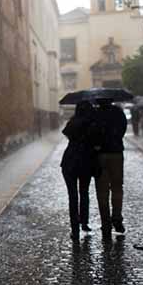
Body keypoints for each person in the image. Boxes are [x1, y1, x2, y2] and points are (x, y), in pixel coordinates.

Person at [60, 101, 102, 240]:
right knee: (84, 192)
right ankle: (84, 222)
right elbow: (97, 144)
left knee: (73, 196)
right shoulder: (93, 123)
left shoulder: (73, 122)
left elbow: (67, 133)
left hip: (69, 162)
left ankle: (75, 230)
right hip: (85, 162)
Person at [94, 98, 127, 237]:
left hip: (100, 155)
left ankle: (105, 223)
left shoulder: (95, 114)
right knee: (117, 187)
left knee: (102, 191)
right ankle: (117, 217)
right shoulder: (118, 112)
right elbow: (122, 130)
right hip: (116, 153)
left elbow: (91, 134)